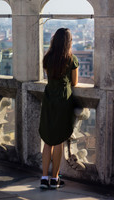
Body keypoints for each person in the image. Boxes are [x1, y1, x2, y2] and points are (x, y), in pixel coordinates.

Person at [39, 28, 79, 189]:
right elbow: (74, 82)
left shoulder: (47, 58)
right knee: (59, 140)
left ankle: (43, 178)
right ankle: (55, 179)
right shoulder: (71, 59)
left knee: (48, 141)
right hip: (63, 99)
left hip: (49, 99)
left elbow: (49, 75)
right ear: (68, 42)